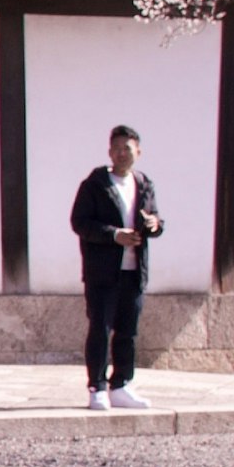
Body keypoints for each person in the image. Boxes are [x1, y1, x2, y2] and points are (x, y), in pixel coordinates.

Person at [69, 126, 161, 405]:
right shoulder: (95, 185)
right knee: (100, 328)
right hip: (103, 272)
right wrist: (114, 235)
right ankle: (97, 387)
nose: (122, 154)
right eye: (117, 148)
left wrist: (155, 225)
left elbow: (154, 218)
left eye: (127, 148)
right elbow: (80, 222)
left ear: (138, 152)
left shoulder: (144, 183)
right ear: (110, 152)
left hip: (134, 271)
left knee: (128, 330)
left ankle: (121, 384)